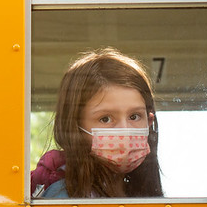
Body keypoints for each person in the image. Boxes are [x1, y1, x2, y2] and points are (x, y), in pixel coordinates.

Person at [31, 48, 163, 198]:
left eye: (134, 116)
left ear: (149, 121)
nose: (124, 131)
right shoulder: (63, 196)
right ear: (76, 127)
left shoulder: (138, 192)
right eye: (105, 119)